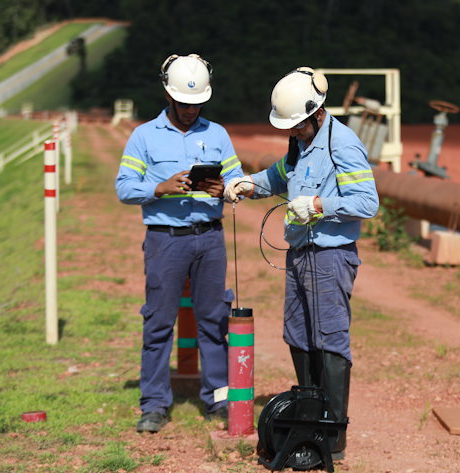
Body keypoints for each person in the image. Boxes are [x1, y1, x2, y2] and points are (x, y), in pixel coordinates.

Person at [223, 67, 378, 460]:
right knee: (298, 334)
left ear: (316, 113)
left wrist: (320, 205)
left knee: (329, 339)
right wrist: (248, 184)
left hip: (329, 256)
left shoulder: (342, 144)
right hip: (299, 254)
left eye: (296, 126)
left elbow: (367, 202)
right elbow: (280, 177)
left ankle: (333, 435)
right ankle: (311, 418)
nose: (291, 133)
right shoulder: (300, 143)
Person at [116, 53, 244, 433]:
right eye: (185, 104)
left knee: (213, 321)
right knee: (158, 323)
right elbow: (123, 187)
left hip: (210, 239)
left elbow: (238, 178)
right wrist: (160, 187)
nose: (191, 110)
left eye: (198, 103)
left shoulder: (217, 134)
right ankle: (154, 405)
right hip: (164, 241)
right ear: (169, 96)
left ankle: (218, 400)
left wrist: (229, 188)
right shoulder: (143, 136)